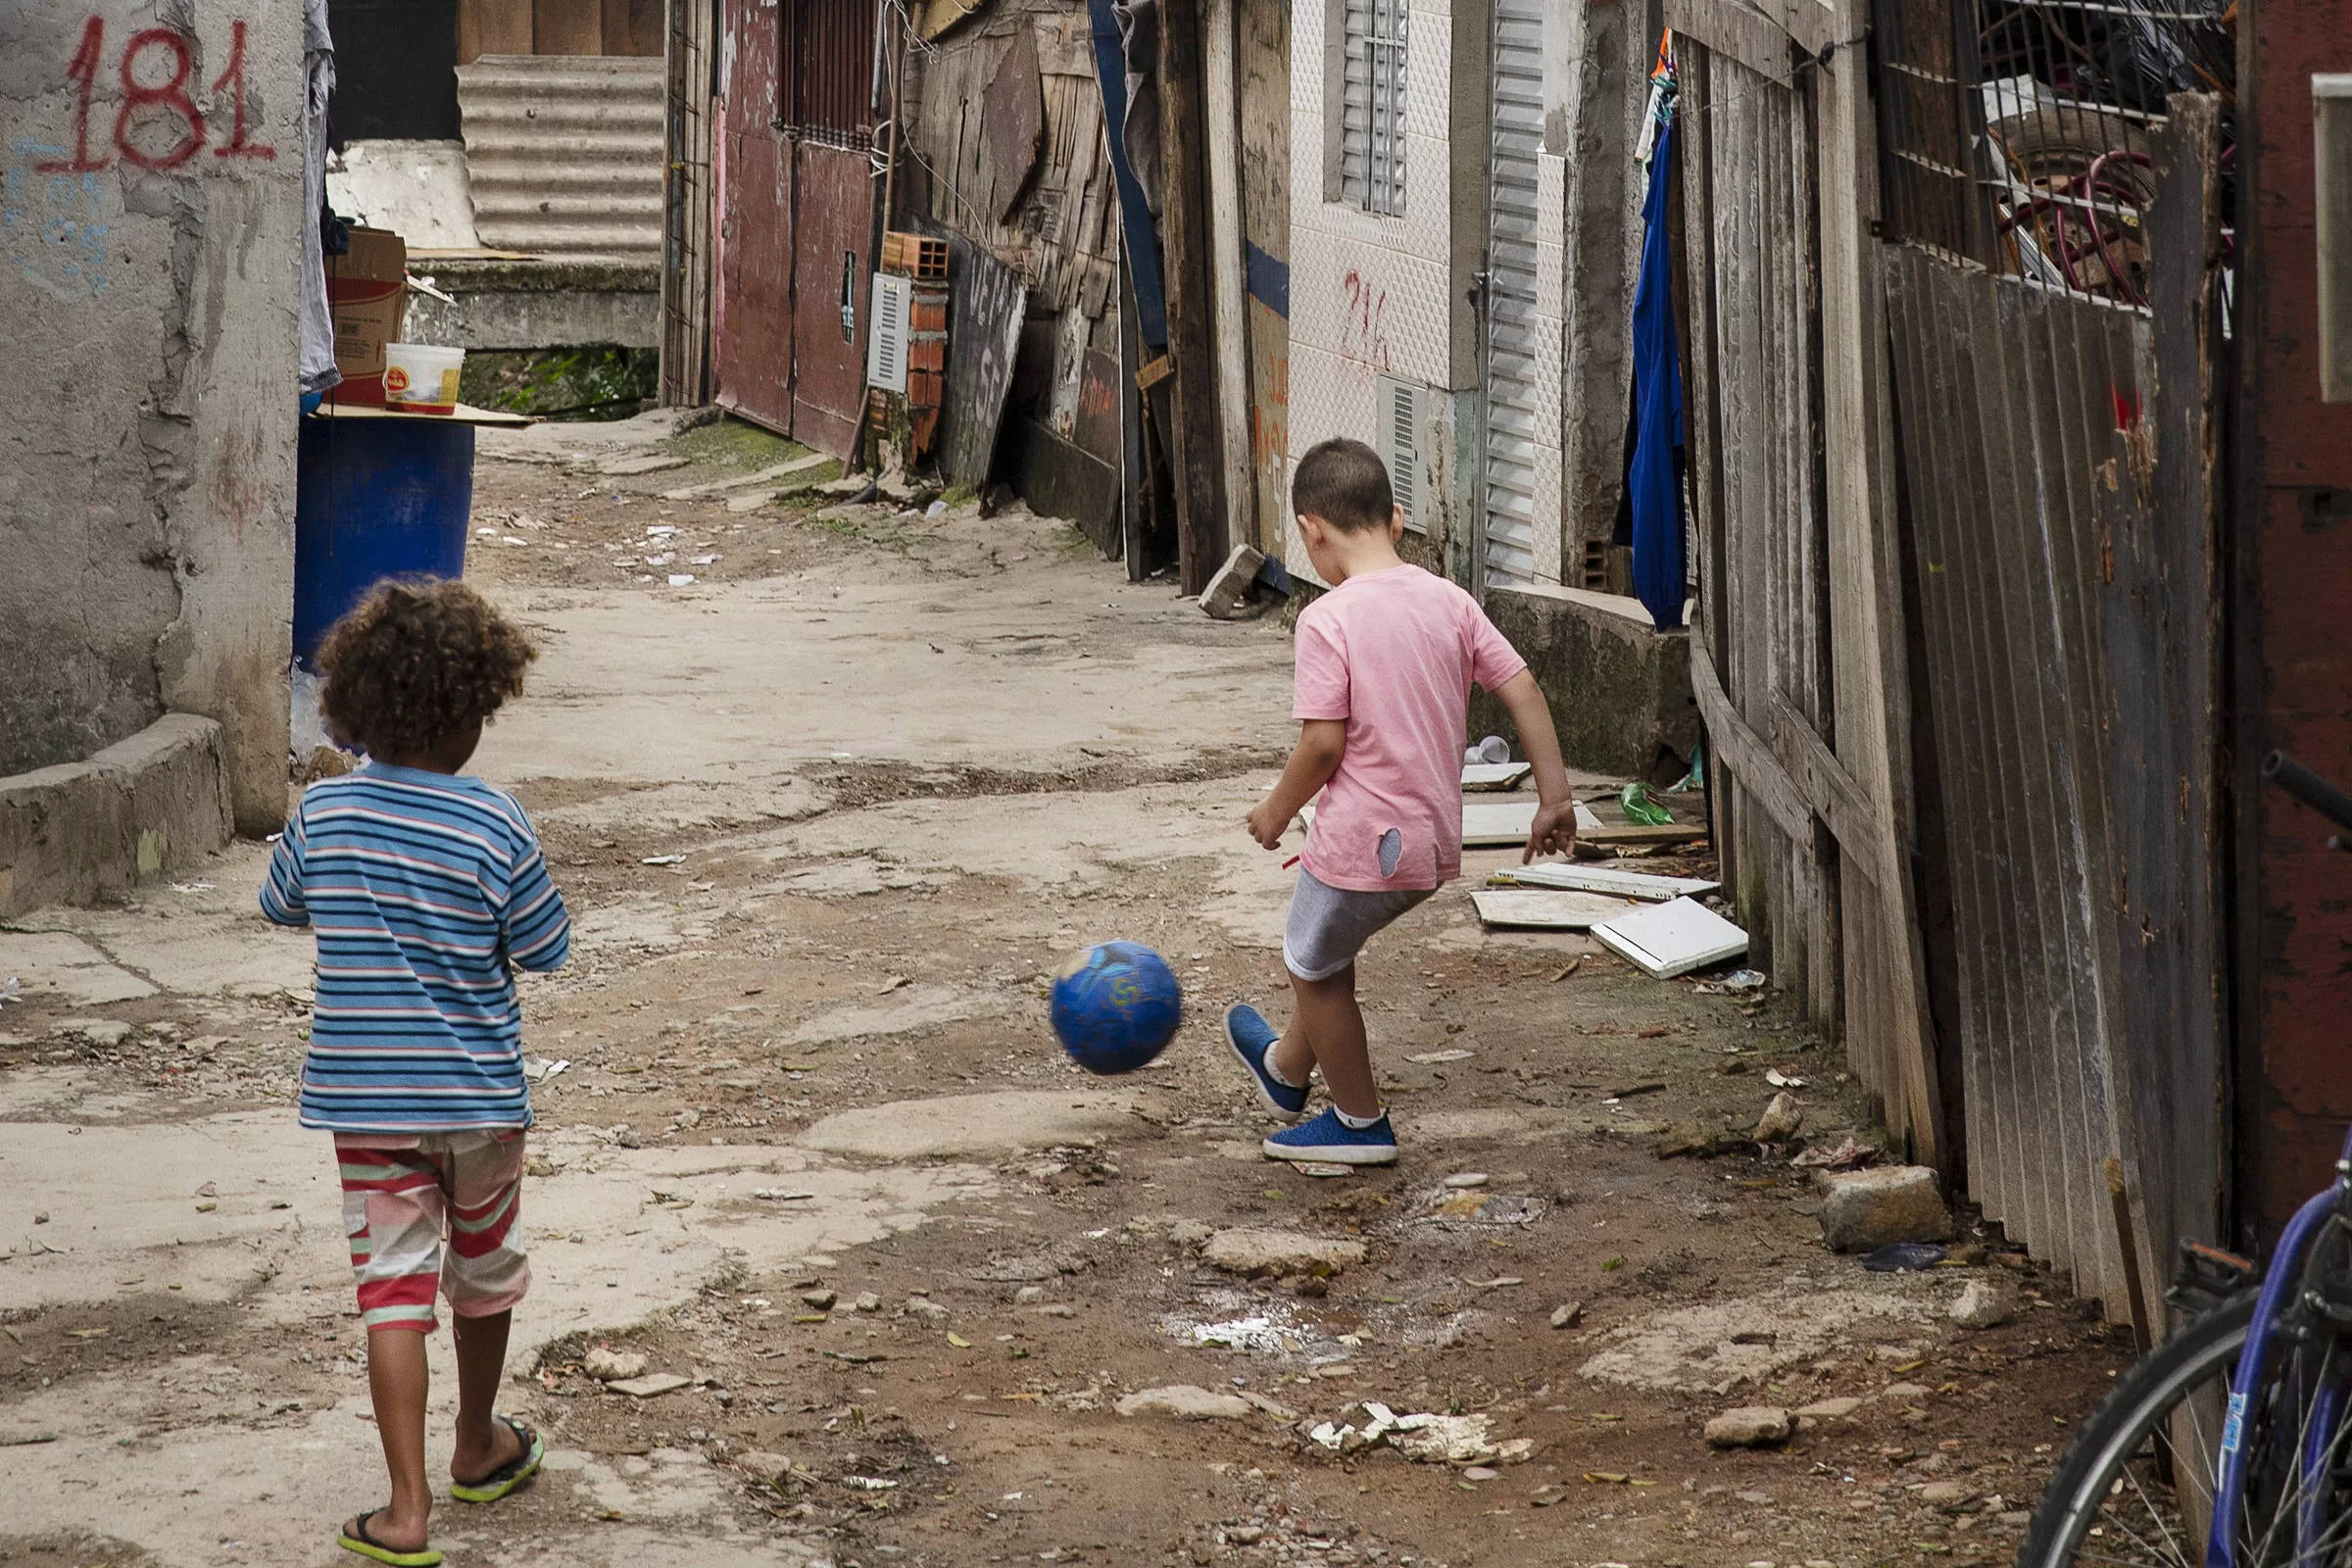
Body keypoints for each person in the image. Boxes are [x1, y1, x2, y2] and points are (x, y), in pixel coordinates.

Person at [261, 578, 570, 1567]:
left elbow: (281, 903)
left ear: (356, 708)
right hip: (480, 1103)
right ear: (473, 712)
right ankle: (478, 1443)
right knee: (484, 1274)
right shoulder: (495, 821)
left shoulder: (325, 814)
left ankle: (405, 1511)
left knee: (392, 1293)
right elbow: (545, 945)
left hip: (369, 1105)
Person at [1226, 439, 1574, 1165]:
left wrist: (1274, 811)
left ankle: (1360, 1124)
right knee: (1327, 950)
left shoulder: (1327, 618)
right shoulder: (1451, 599)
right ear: (1397, 517)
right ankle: (1287, 1071)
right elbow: (1524, 689)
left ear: (1312, 530)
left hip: (1360, 841)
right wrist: (1554, 797)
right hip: (1430, 841)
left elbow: (1323, 745)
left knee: (1312, 966)